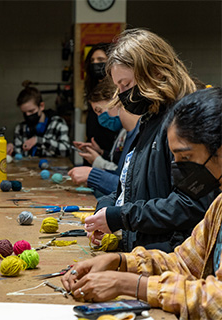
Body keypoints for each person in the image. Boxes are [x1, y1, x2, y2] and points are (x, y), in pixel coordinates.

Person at [61, 87, 222, 319]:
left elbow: (217, 300)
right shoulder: (218, 205)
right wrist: (119, 262)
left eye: (186, 158)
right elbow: (185, 263)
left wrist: (131, 285)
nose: (178, 169)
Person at [84, 28, 218, 252]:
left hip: (174, 258)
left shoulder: (184, 122)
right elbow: (130, 188)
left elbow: (191, 204)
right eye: (118, 87)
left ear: (154, 72)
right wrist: (106, 208)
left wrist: (121, 217)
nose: (122, 95)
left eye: (126, 85)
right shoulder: (149, 119)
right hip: (146, 255)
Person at [69, 79, 140, 196]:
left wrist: (92, 174)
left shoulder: (140, 135)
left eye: (100, 110)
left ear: (116, 100)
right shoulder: (125, 134)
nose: (100, 117)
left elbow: (129, 190)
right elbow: (120, 174)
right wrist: (101, 153)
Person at [7, 85, 70, 157]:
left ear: (41, 106)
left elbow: (66, 150)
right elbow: (18, 155)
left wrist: (39, 141)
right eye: (24, 113)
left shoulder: (58, 124)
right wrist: (11, 148)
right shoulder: (20, 128)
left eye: (31, 111)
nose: (28, 115)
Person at [84, 43, 118, 156]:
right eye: (92, 61)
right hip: (95, 151)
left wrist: (104, 154)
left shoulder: (119, 90)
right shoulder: (91, 89)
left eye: (100, 59)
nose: (95, 64)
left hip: (111, 154)